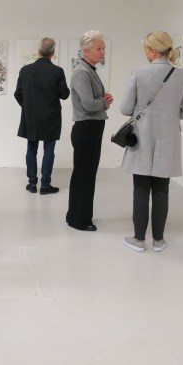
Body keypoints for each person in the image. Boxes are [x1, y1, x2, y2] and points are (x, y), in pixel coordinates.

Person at [120, 31, 183, 252]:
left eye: (145, 49)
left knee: (141, 189)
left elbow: (125, 108)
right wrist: (170, 113)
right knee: (162, 190)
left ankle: (138, 240)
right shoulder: (182, 75)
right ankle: (158, 241)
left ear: (152, 51)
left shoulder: (138, 73)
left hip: (142, 139)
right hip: (167, 140)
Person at [66, 30, 114, 232]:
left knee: (85, 174)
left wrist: (102, 100)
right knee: (84, 175)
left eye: (103, 48)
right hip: (87, 129)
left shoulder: (89, 70)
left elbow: (94, 101)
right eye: (99, 48)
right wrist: (103, 101)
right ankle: (79, 220)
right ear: (86, 51)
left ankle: (77, 216)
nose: (103, 52)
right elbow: (89, 104)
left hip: (91, 128)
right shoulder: (82, 72)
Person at [14, 37, 70, 195]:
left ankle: (32, 184)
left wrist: (28, 107)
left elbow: (18, 94)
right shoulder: (57, 71)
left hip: (30, 117)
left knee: (31, 148)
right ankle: (45, 185)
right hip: (51, 117)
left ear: (39, 51)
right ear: (53, 52)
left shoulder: (25, 70)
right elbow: (64, 94)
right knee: (49, 149)